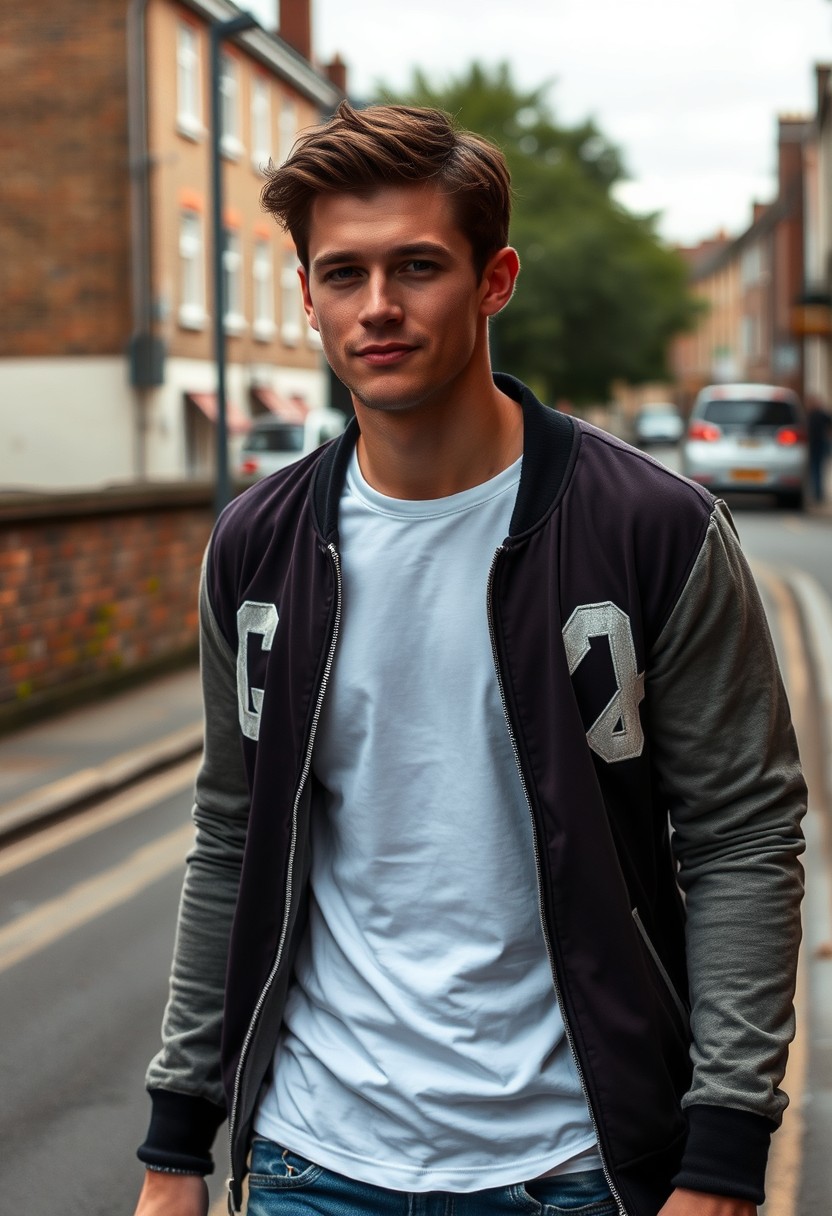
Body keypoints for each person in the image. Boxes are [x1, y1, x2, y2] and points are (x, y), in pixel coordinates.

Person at [133, 102, 806, 1216]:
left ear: (494, 280)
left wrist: (725, 1150)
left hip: (577, 1163)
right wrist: (174, 1142)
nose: (377, 306)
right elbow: (230, 834)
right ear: (305, 295)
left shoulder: (652, 530)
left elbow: (741, 836)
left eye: (417, 266)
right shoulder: (257, 547)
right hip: (312, 1162)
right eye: (342, 274)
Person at [806, 393, 832, 503]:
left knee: (817, 469)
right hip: (814, 445)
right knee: (815, 469)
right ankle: (817, 493)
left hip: (820, 445)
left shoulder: (819, 414)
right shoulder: (810, 415)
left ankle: (818, 493)